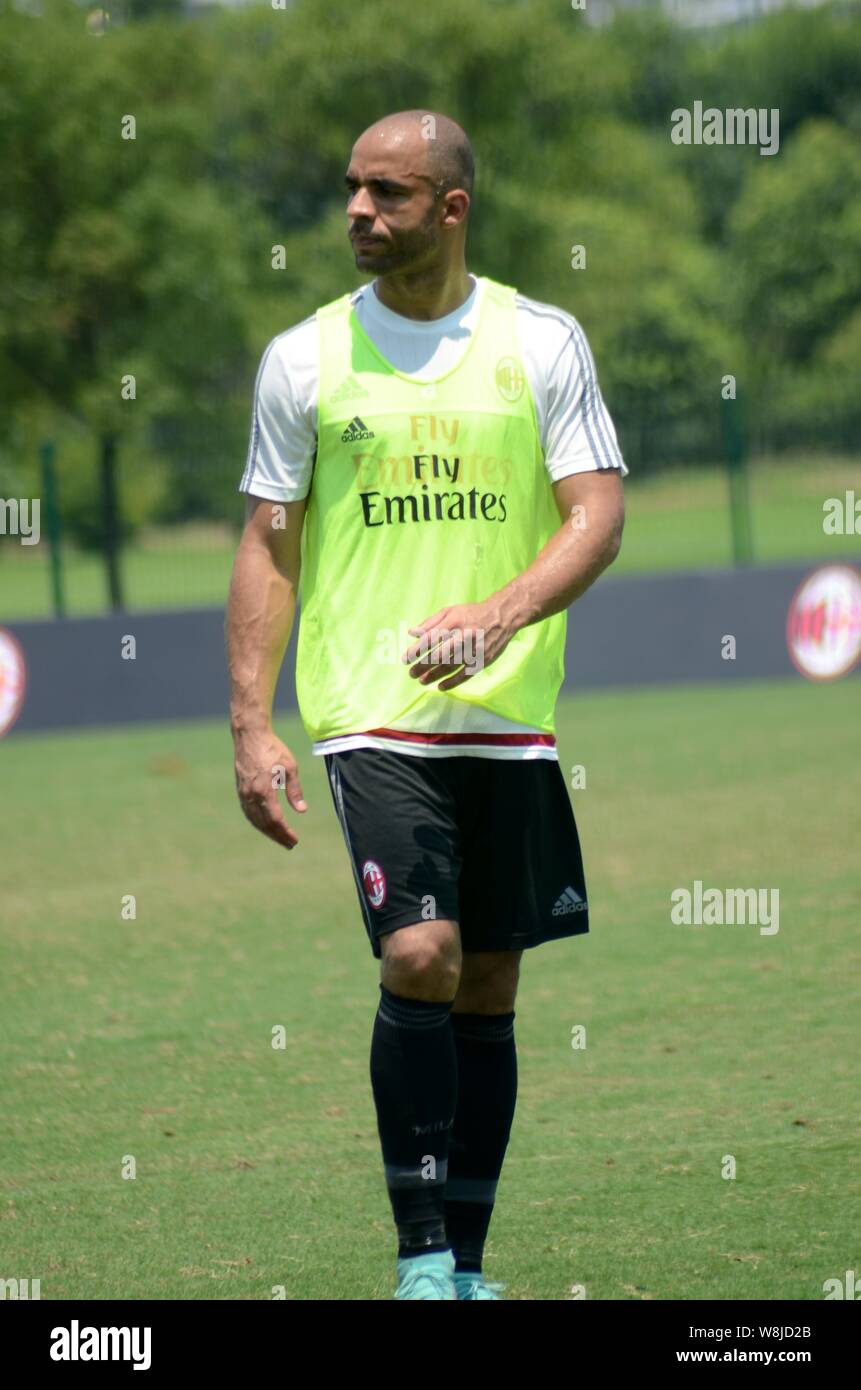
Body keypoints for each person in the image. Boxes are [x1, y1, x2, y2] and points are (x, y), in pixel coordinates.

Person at [226, 109, 627, 1300]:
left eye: (388, 194)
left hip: (510, 718)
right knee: (422, 952)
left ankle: (469, 1265)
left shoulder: (540, 342)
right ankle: (416, 1262)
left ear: (450, 209)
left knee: (491, 982)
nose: (357, 212)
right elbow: (267, 541)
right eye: (351, 187)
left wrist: (496, 620)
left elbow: (595, 517)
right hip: (370, 711)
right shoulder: (305, 358)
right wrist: (252, 722)